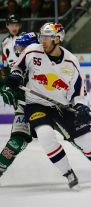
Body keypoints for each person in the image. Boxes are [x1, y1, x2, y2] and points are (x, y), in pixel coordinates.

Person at [7, 22, 91, 190]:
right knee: (45, 135)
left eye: (46, 38)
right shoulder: (32, 51)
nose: (42, 41)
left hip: (63, 106)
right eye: (41, 37)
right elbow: (17, 68)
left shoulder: (71, 62)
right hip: (36, 104)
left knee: (86, 140)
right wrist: (15, 75)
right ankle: (68, 173)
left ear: (57, 39)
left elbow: (78, 91)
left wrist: (80, 106)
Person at [0, 32, 39, 178]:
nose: (19, 52)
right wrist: (5, 88)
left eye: (23, 48)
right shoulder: (15, 63)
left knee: (75, 134)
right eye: (19, 48)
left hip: (52, 107)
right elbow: (4, 75)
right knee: (18, 139)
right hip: (25, 105)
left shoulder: (47, 60)